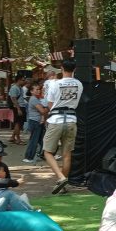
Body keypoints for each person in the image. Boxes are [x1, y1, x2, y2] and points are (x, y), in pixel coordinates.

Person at [44, 59, 83, 195]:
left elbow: (49, 104)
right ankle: (64, 184)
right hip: (72, 119)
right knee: (67, 154)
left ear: (61, 68)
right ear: (75, 69)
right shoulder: (79, 84)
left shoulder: (56, 84)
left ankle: (61, 178)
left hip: (56, 119)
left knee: (47, 151)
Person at [23, 82, 47, 164]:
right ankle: (28, 157)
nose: (38, 91)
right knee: (34, 140)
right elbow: (42, 111)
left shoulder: (36, 99)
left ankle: (44, 154)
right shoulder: (34, 99)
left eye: (39, 89)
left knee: (42, 140)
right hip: (35, 122)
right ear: (31, 91)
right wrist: (49, 107)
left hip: (37, 122)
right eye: (36, 89)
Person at [8, 74, 27, 145]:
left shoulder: (20, 88)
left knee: (20, 123)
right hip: (18, 107)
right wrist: (18, 109)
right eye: (23, 80)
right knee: (18, 123)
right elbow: (13, 98)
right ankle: (18, 139)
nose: (24, 81)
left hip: (21, 106)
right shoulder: (14, 88)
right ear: (19, 80)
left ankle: (13, 137)